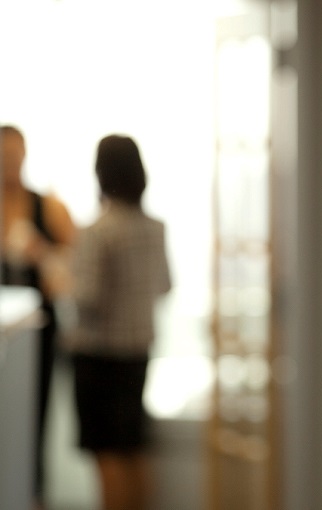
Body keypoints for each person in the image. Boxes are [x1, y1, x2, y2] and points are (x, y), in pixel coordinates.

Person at [68, 134, 171, 510]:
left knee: (107, 454)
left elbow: (87, 297)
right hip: (138, 351)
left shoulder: (98, 231)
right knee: (133, 448)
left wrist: (61, 277)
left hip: (99, 354)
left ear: (100, 172)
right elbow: (165, 286)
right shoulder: (155, 228)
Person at [1, 124, 77, 509]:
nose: (8, 166)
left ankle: (33, 495)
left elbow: (75, 268)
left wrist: (41, 254)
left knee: (33, 419)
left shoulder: (47, 205)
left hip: (35, 334)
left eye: (14, 157)